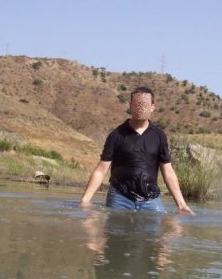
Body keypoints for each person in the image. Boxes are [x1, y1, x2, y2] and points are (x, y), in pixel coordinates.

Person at [80, 86, 194, 214]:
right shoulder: (116, 135)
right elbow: (101, 170)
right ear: (130, 105)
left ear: (152, 107)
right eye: (137, 104)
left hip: (151, 199)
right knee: (115, 233)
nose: (141, 108)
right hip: (120, 198)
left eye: (145, 104)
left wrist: (181, 204)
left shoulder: (159, 136)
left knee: (154, 233)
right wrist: (85, 200)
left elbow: (168, 171)